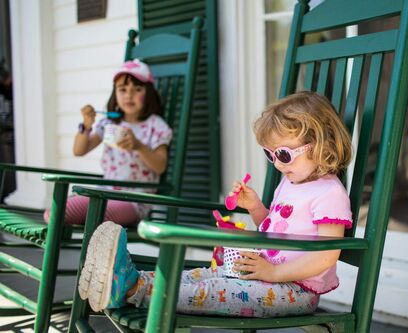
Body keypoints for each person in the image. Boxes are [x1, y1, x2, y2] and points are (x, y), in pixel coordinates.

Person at [78, 91, 353, 318]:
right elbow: (275, 231)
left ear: (321, 144)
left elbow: (325, 255)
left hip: (296, 291)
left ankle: (130, 289)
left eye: (283, 154)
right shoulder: (291, 181)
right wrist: (256, 207)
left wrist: (273, 272)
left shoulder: (329, 193)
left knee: (212, 291)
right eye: (271, 155)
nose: (278, 164)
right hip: (263, 274)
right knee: (200, 276)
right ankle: (128, 278)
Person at [44, 59, 172, 226]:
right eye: (122, 89)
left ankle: (93, 247)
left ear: (148, 93)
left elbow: (160, 166)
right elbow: (79, 150)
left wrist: (138, 146)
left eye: (137, 89)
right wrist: (87, 125)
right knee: (56, 211)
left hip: (134, 201)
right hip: (104, 193)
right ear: (115, 93)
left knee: (96, 216)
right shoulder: (109, 124)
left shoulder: (156, 126)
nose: (128, 95)